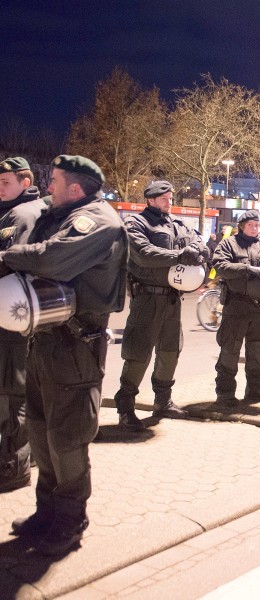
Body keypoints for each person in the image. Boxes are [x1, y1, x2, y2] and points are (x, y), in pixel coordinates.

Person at [2, 155, 127, 555]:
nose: (47, 186)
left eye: (54, 181)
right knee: (39, 429)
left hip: (77, 346)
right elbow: (33, 246)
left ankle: (71, 520)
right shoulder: (59, 215)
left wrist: (7, 256)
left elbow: (48, 258)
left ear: (75, 187)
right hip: (45, 338)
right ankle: (47, 512)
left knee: (68, 437)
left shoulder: (100, 220)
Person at [113, 180, 209, 431]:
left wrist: (197, 251)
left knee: (170, 351)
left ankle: (163, 402)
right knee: (138, 353)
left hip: (171, 298)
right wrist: (179, 256)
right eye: (164, 198)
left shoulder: (177, 224)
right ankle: (125, 407)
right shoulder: (136, 223)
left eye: (170, 197)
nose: (169, 202)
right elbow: (142, 253)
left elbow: (199, 241)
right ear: (151, 199)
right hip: (147, 298)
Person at [0, 157, 46, 493]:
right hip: (13, 312)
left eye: (5, 183)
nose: (0, 188)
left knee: (12, 392)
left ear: (25, 182)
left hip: (14, 317)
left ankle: (15, 467)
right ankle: (22, 457)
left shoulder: (24, 215)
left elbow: (19, 261)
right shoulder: (14, 212)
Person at [211, 210, 260, 406]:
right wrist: (245, 269)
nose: (255, 228)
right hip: (236, 305)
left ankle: (255, 389)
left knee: (258, 350)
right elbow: (220, 265)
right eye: (251, 225)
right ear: (242, 226)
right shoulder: (228, 244)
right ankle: (225, 393)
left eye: (257, 225)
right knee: (229, 351)